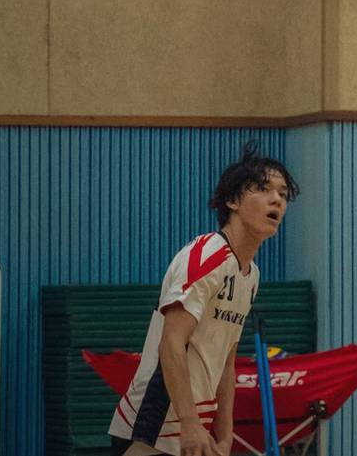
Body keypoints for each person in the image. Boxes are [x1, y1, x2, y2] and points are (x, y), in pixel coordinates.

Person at [110, 146, 297, 456]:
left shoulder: (251, 276)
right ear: (233, 200)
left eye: (283, 194)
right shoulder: (207, 255)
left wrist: (225, 434)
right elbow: (171, 342)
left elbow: (227, 360)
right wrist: (189, 422)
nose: (277, 199)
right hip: (154, 423)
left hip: (196, 426)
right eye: (264, 189)